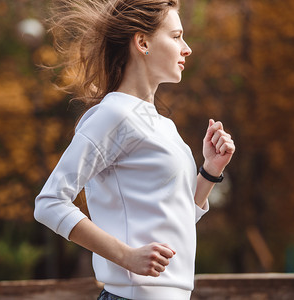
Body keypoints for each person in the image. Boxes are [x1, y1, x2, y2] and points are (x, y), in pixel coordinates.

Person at [34, 0, 235, 299]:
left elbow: (174, 217)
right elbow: (49, 203)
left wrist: (210, 171)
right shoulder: (113, 115)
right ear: (142, 42)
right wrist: (126, 256)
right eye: (176, 36)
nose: (187, 48)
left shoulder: (163, 125)